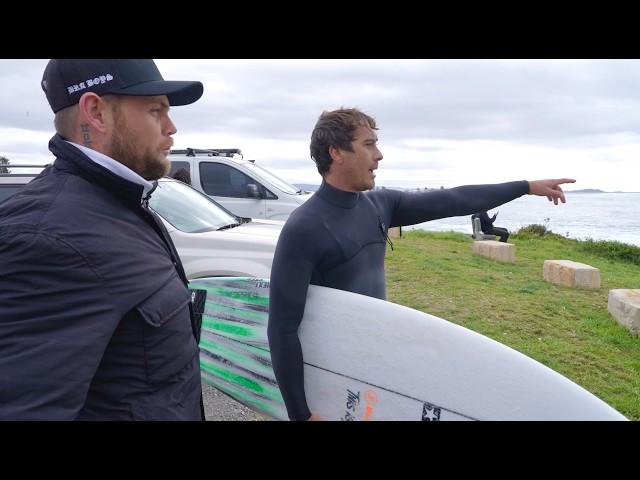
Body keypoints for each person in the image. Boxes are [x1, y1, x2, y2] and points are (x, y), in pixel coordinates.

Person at [267, 107, 575, 421]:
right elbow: (282, 328)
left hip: (378, 358)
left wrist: (525, 186)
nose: (380, 155)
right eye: (369, 144)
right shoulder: (304, 228)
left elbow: (455, 199)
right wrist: (300, 414)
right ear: (337, 153)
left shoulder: (380, 205)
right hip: (335, 371)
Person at [0, 59, 205, 420]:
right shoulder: (48, 237)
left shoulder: (119, 204)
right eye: (156, 110)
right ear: (95, 112)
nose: (172, 128)